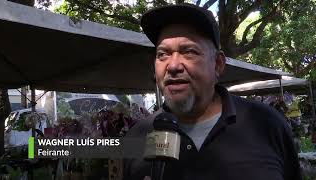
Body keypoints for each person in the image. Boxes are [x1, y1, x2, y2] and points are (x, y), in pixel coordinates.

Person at [123, 3, 302, 180]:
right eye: (163, 54)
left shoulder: (267, 124)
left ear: (217, 64)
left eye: (189, 51)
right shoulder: (137, 136)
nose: (173, 66)